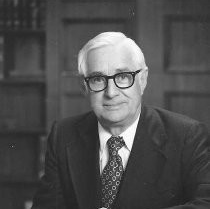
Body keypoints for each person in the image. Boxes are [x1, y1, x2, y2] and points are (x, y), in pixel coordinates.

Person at [31, 32, 210, 209]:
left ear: (143, 79)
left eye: (123, 77)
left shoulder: (187, 136)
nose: (111, 92)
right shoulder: (63, 135)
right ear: (84, 87)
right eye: (98, 79)